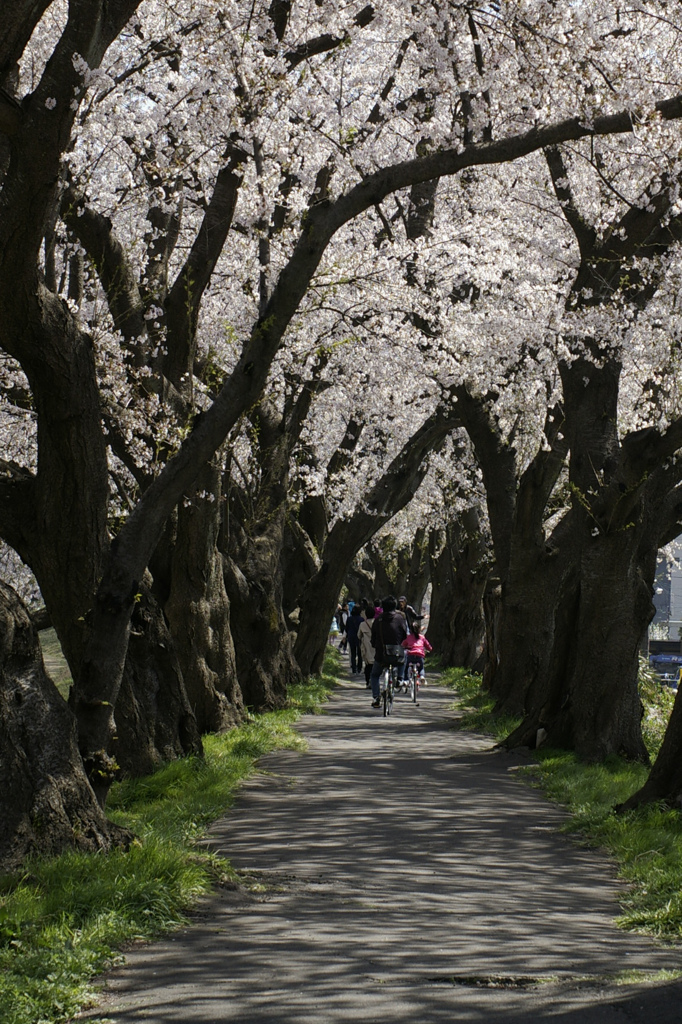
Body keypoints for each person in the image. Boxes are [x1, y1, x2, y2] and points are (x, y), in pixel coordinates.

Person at [369, 595, 407, 708]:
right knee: (403, 658)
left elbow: (373, 637)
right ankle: (400, 679)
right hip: (396, 654)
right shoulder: (400, 618)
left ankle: (376, 697)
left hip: (381, 654)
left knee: (375, 675)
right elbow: (405, 635)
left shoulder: (378, 620)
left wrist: (374, 645)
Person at [358, 606, 375, 688]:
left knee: (368, 665)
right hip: (376, 646)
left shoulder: (362, 624)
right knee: (376, 664)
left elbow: (359, 636)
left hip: (366, 646)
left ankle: (368, 681)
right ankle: (375, 681)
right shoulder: (377, 623)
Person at [344, 605, 363, 674]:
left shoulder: (349, 619)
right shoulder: (361, 619)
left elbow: (346, 628)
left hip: (351, 637)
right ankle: (359, 668)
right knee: (360, 653)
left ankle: (353, 668)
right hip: (359, 637)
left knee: (353, 653)